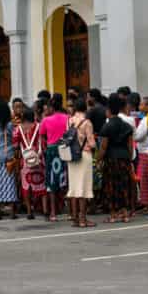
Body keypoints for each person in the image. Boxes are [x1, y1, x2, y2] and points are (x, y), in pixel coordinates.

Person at [98, 94, 135, 223]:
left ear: (108, 111)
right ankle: (125, 213)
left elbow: (103, 146)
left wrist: (99, 159)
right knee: (124, 185)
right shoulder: (126, 126)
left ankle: (113, 214)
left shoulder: (107, 127)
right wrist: (129, 159)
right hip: (124, 158)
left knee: (111, 186)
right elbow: (130, 145)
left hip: (111, 159)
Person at [66, 94, 96, 228]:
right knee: (83, 188)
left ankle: (75, 218)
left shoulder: (70, 121)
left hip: (72, 156)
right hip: (84, 155)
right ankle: (83, 219)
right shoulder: (87, 122)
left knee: (74, 188)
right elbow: (92, 143)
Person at [38, 93, 69, 222]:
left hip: (51, 150)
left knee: (51, 181)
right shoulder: (67, 117)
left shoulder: (46, 120)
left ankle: (53, 213)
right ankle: (70, 211)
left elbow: (42, 136)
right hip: (64, 148)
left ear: (51, 107)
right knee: (66, 178)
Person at [13, 107, 46, 220]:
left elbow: (16, 146)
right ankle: (45, 209)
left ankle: (29, 211)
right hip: (38, 158)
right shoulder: (38, 126)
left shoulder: (18, 129)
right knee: (41, 184)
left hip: (25, 160)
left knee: (26, 186)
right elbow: (43, 141)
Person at [0, 99, 18, 220]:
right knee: (10, 183)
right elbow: (14, 138)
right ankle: (12, 212)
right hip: (8, 156)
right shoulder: (9, 125)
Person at [133, 96, 148, 211]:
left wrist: (133, 131)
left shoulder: (146, 120)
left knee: (147, 180)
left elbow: (138, 136)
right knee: (147, 179)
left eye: (142, 104)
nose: (140, 106)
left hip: (146, 152)